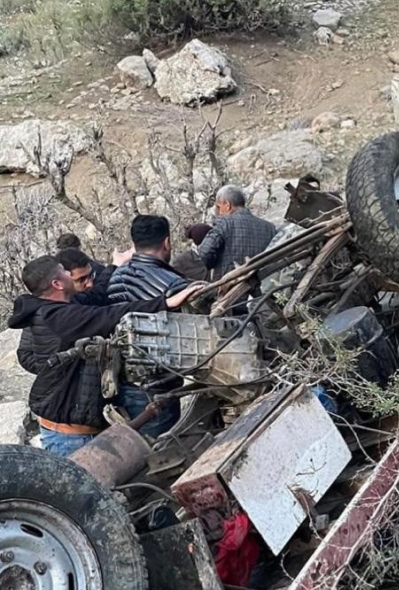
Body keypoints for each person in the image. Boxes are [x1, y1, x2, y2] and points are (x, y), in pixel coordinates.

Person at [8, 256, 201, 457]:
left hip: (66, 422)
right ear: (57, 284)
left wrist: (114, 265)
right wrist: (166, 302)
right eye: (64, 272)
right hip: (72, 436)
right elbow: (109, 315)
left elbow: (96, 296)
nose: (69, 274)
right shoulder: (58, 317)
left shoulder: (46, 310)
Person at [107, 215, 191, 437]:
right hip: (160, 385)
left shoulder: (116, 277)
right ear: (167, 243)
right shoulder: (174, 285)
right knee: (163, 448)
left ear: (134, 244)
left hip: (124, 381)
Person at [197, 185, 277, 280]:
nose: (218, 212)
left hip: (231, 288)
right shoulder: (269, 227)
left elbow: (204, 253)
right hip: (264, 288)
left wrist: (213, 264)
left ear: (227, 205)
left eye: (218, 207)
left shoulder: (224, 223)